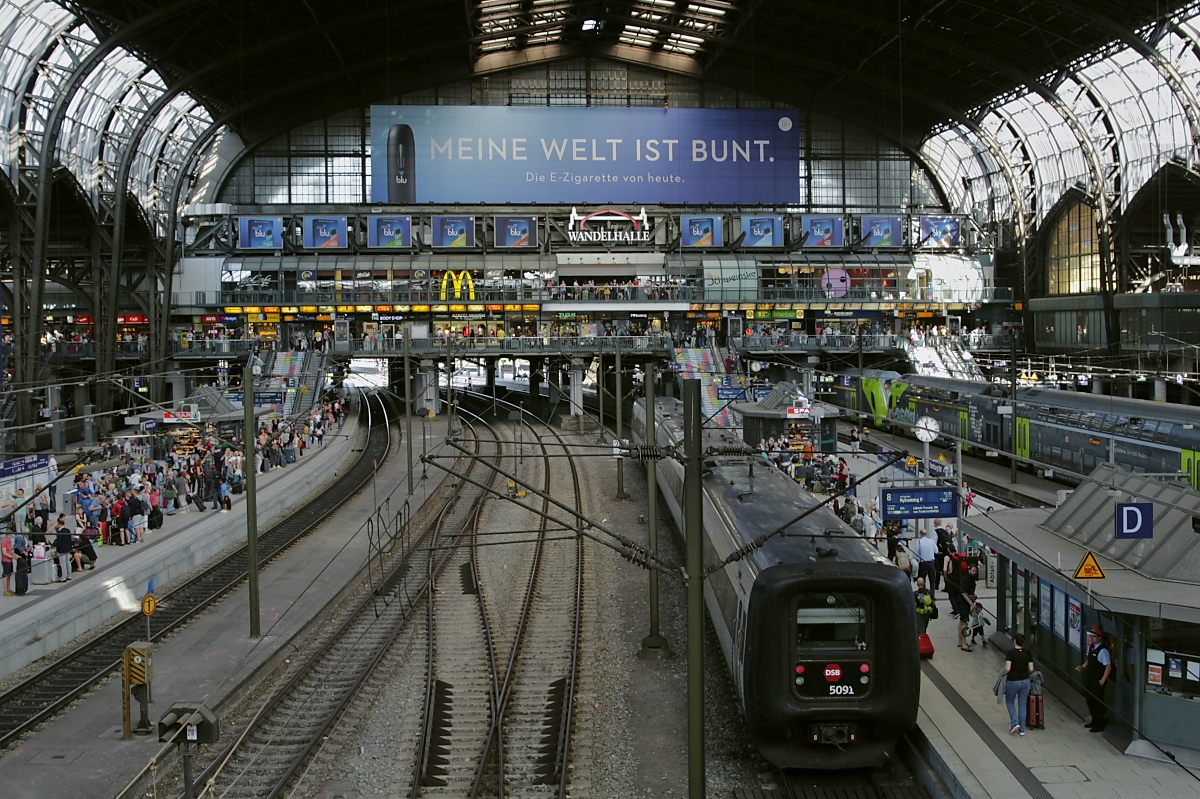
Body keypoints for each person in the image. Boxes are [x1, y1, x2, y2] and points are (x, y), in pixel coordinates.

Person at [1075, 626, 1112, 732]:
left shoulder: (1103, 651)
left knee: (1098, 702)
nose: (1091, 638)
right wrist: (1082, 667)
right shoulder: (1092, 647)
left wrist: (1102, 680)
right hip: (1090, 678)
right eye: (1091, 636)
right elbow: (1089, 660)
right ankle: (1094, 720)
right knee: (1089, 699)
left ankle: (1100, 723)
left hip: (1098, 680)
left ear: (1100, 638)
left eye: (1094, 636)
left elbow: (1108, 666)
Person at [1004, 633, 1035, 735]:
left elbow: (1007, 668)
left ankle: (1015, 723)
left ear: (1014, 641)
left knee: (1010, 702)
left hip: (1013, 680)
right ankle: (1022, 730)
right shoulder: (1027, 653)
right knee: (1022, 704)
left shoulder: (1010, 653)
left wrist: (1004, 673)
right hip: (1025, 681)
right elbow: (1031, 669)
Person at [53, 515, 73, 582]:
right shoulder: (68, 530)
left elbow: (58, 542)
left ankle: (63, 577)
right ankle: (69, 575)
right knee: (68, 562)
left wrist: (57, 549)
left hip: (61, 550)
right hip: (67, 549)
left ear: (59, 524)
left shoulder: (60, 532)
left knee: (63, 563)